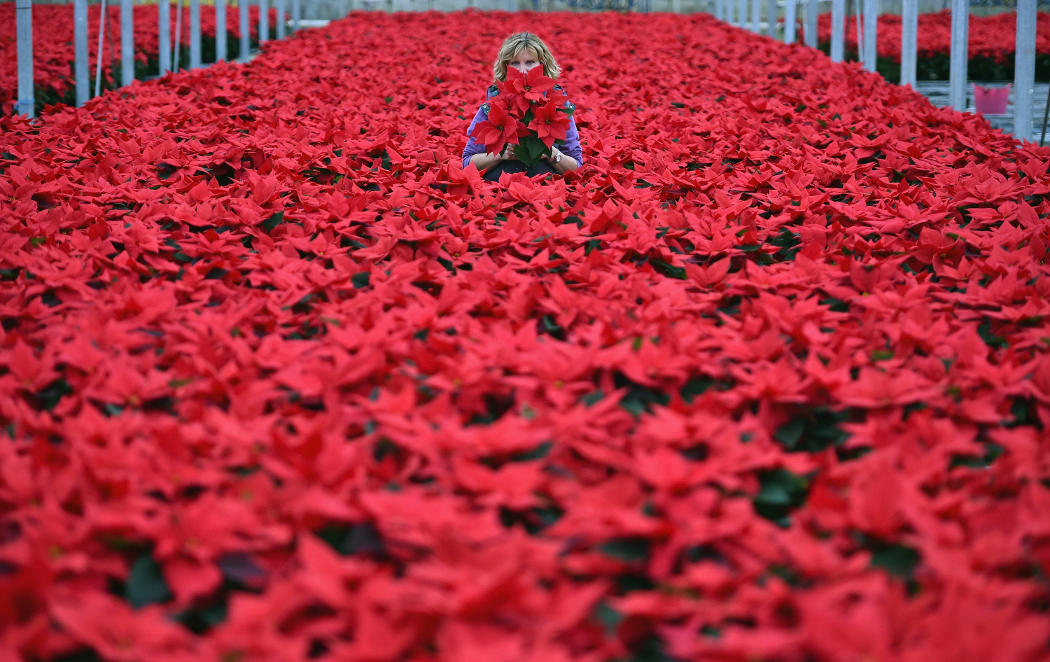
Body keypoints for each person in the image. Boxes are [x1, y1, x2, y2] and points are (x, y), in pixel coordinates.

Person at [461, 33, 582, 181]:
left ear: (542, 66)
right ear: (506, 67)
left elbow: (576, 166)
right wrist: (501, 154)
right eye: (515, 63)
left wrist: (551, 153)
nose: (522, 70)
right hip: (500, 188)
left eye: (530, 62)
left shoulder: (558, 106)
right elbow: (467, 163)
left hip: (545, 191)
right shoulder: (493, 105)